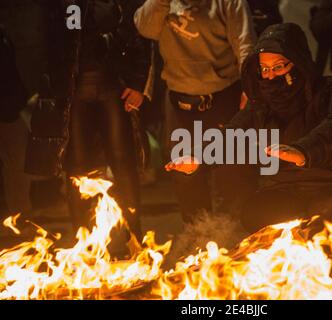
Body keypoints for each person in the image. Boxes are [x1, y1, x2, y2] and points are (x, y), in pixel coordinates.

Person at [167, 23, 332, 233]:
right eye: (264, 69)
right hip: (289, 187)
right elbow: (233, 132)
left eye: (278, 67)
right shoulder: (262, 103)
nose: (271, 76)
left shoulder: (329, 89)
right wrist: (199, 156)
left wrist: (302, 152)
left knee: (326, 221)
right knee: (257, 212)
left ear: (297, 63)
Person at [26, 0, 153, 253]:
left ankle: (133, 240)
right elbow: (55, 37)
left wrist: (139, 83)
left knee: (123, 164)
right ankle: (85, 245)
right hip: (75, 89)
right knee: (77, 169)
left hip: (113, 85)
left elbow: (137, 33)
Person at [134, 0, 257, 223]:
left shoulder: (229, 3)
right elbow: (144, 28)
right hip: (179, 99)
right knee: (186, 176)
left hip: (223, 97)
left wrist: (250, 89)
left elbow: (245, 44)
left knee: (232, 175)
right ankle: (198, 241)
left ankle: (241, 237)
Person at [0, 26, 32, 216]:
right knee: (16, 165)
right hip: (8, 108)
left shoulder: (3, 35)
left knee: (17, 165)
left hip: (11, 108)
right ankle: (20, 215)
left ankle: (20, 215)